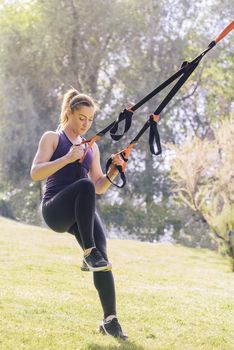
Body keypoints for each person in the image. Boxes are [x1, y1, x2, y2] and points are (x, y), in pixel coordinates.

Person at [30, 88, 128, 340]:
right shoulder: (53, 138)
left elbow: (98, 187)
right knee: (83, 185)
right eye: (81, 117)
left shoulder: (92, 149)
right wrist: (66, 158)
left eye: (90, 119)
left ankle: (110, 321)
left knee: (103, 256)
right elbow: (36, 173)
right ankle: (88, 253)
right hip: (55, 208)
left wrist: (113, 171)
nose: (86, 124)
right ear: (68, 114)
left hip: (79, 211)